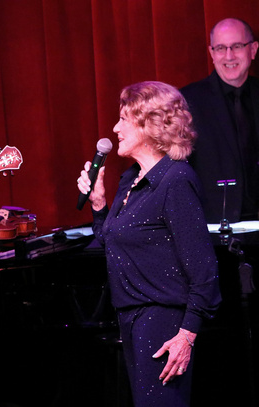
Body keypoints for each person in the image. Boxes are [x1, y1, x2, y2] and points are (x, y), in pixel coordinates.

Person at [76, 81, 221, 406]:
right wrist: (99, 205)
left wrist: (186, 335)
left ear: (151, 124)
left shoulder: (175, 180)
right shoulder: (131, 179)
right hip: (130, 318)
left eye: (124, 119)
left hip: (163, 322)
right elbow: (111, 244)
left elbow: (204, 270)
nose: (114, 128)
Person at [180, 18, 259, 223]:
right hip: (214, 227)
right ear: (211, 53)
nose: (229, 55)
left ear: (253, 49)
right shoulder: (188, 101)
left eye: (237, 46)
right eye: (221, 48)